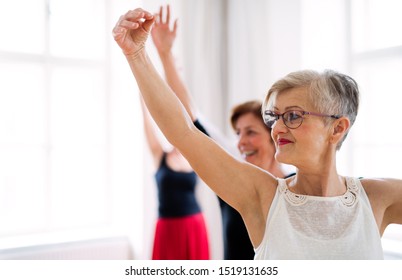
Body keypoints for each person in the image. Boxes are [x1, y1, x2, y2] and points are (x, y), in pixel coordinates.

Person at [112, 8, 402, 259]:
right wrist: (137, 54)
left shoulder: (378, 196)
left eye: (292, 116)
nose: (276, 128)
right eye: (273, 117)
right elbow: (185, 131)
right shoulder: (261, 195)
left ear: (337, 128)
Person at [150, 5, 293, 260]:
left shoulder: (295, 184)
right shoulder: (232, 172)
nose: (241, 142)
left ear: (275, 136)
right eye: (237, 133)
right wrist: (165, 54)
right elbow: (190, 115)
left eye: (251, 132)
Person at [139, 92, 210, 259]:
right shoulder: (160, 155)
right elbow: (147, 127)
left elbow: (192, 119)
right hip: (167, 227)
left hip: (193, 224)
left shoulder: (192, 157)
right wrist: (143, 99)